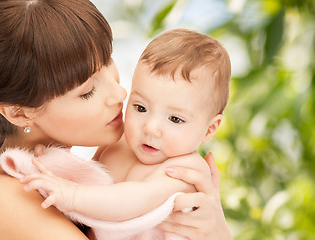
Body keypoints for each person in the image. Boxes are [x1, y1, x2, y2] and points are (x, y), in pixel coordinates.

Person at [0, 0, 232, 239]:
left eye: (108, 60)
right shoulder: (0, 201)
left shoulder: (77, 170)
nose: (119, 93)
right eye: (87, 92)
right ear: (20, 112)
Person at [20, 28, 233, 239]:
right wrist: (56, 164)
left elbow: (133, 200)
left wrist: (72, 195)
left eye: (175, 119)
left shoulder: (185, 171)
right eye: (140, 108)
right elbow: (90, 184)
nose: (150, 128)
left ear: (210, 129)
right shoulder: (120, 142)